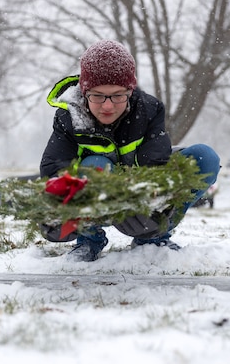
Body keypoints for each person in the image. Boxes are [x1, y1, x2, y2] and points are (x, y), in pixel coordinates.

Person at [40, 39, 220, 261]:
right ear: (85, 92)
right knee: (95, 166)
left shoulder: (149, 110)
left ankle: (153, 237)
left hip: (137, 191)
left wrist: (150, 207)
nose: (108, 106)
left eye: (117, 95)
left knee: (205, 158)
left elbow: (156, 164)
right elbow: (55, 166)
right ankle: (89, 239)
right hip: (94, 197)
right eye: (98, 96)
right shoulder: (70, 117)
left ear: (130, 91)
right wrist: (60, 206)